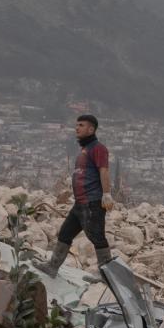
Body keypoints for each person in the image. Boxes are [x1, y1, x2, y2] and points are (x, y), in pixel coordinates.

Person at [39, 114, 115, 275]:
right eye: (76, 125)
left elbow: (104, 170)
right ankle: (52, 267)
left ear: (91, 129)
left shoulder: (98, 148)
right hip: (80, 204)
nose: (77, 128)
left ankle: (107, 277)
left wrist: (106, 194)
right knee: (65, 233)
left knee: (97, 238)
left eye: (81, 125)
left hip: (92, 202)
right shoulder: (85, 150)